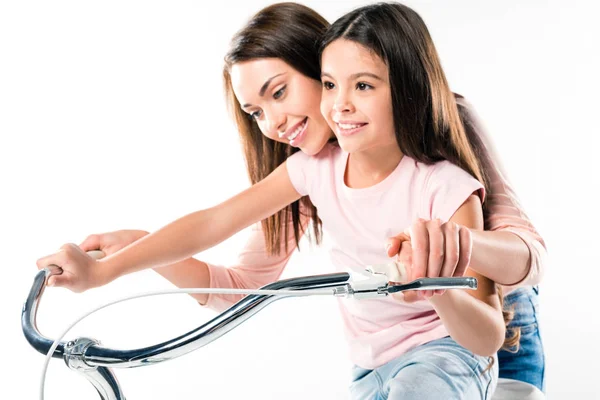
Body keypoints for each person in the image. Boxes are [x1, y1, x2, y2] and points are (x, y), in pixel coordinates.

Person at [38, 1, 546, 395]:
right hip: (381, 354)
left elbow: (522, 261)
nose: (273, 123)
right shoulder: (310, 170)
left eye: (279, 92)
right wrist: (128, 256)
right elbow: (231, 271)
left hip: (491, 325)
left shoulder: (443, 141)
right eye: (255, 111)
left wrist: (447, 257)